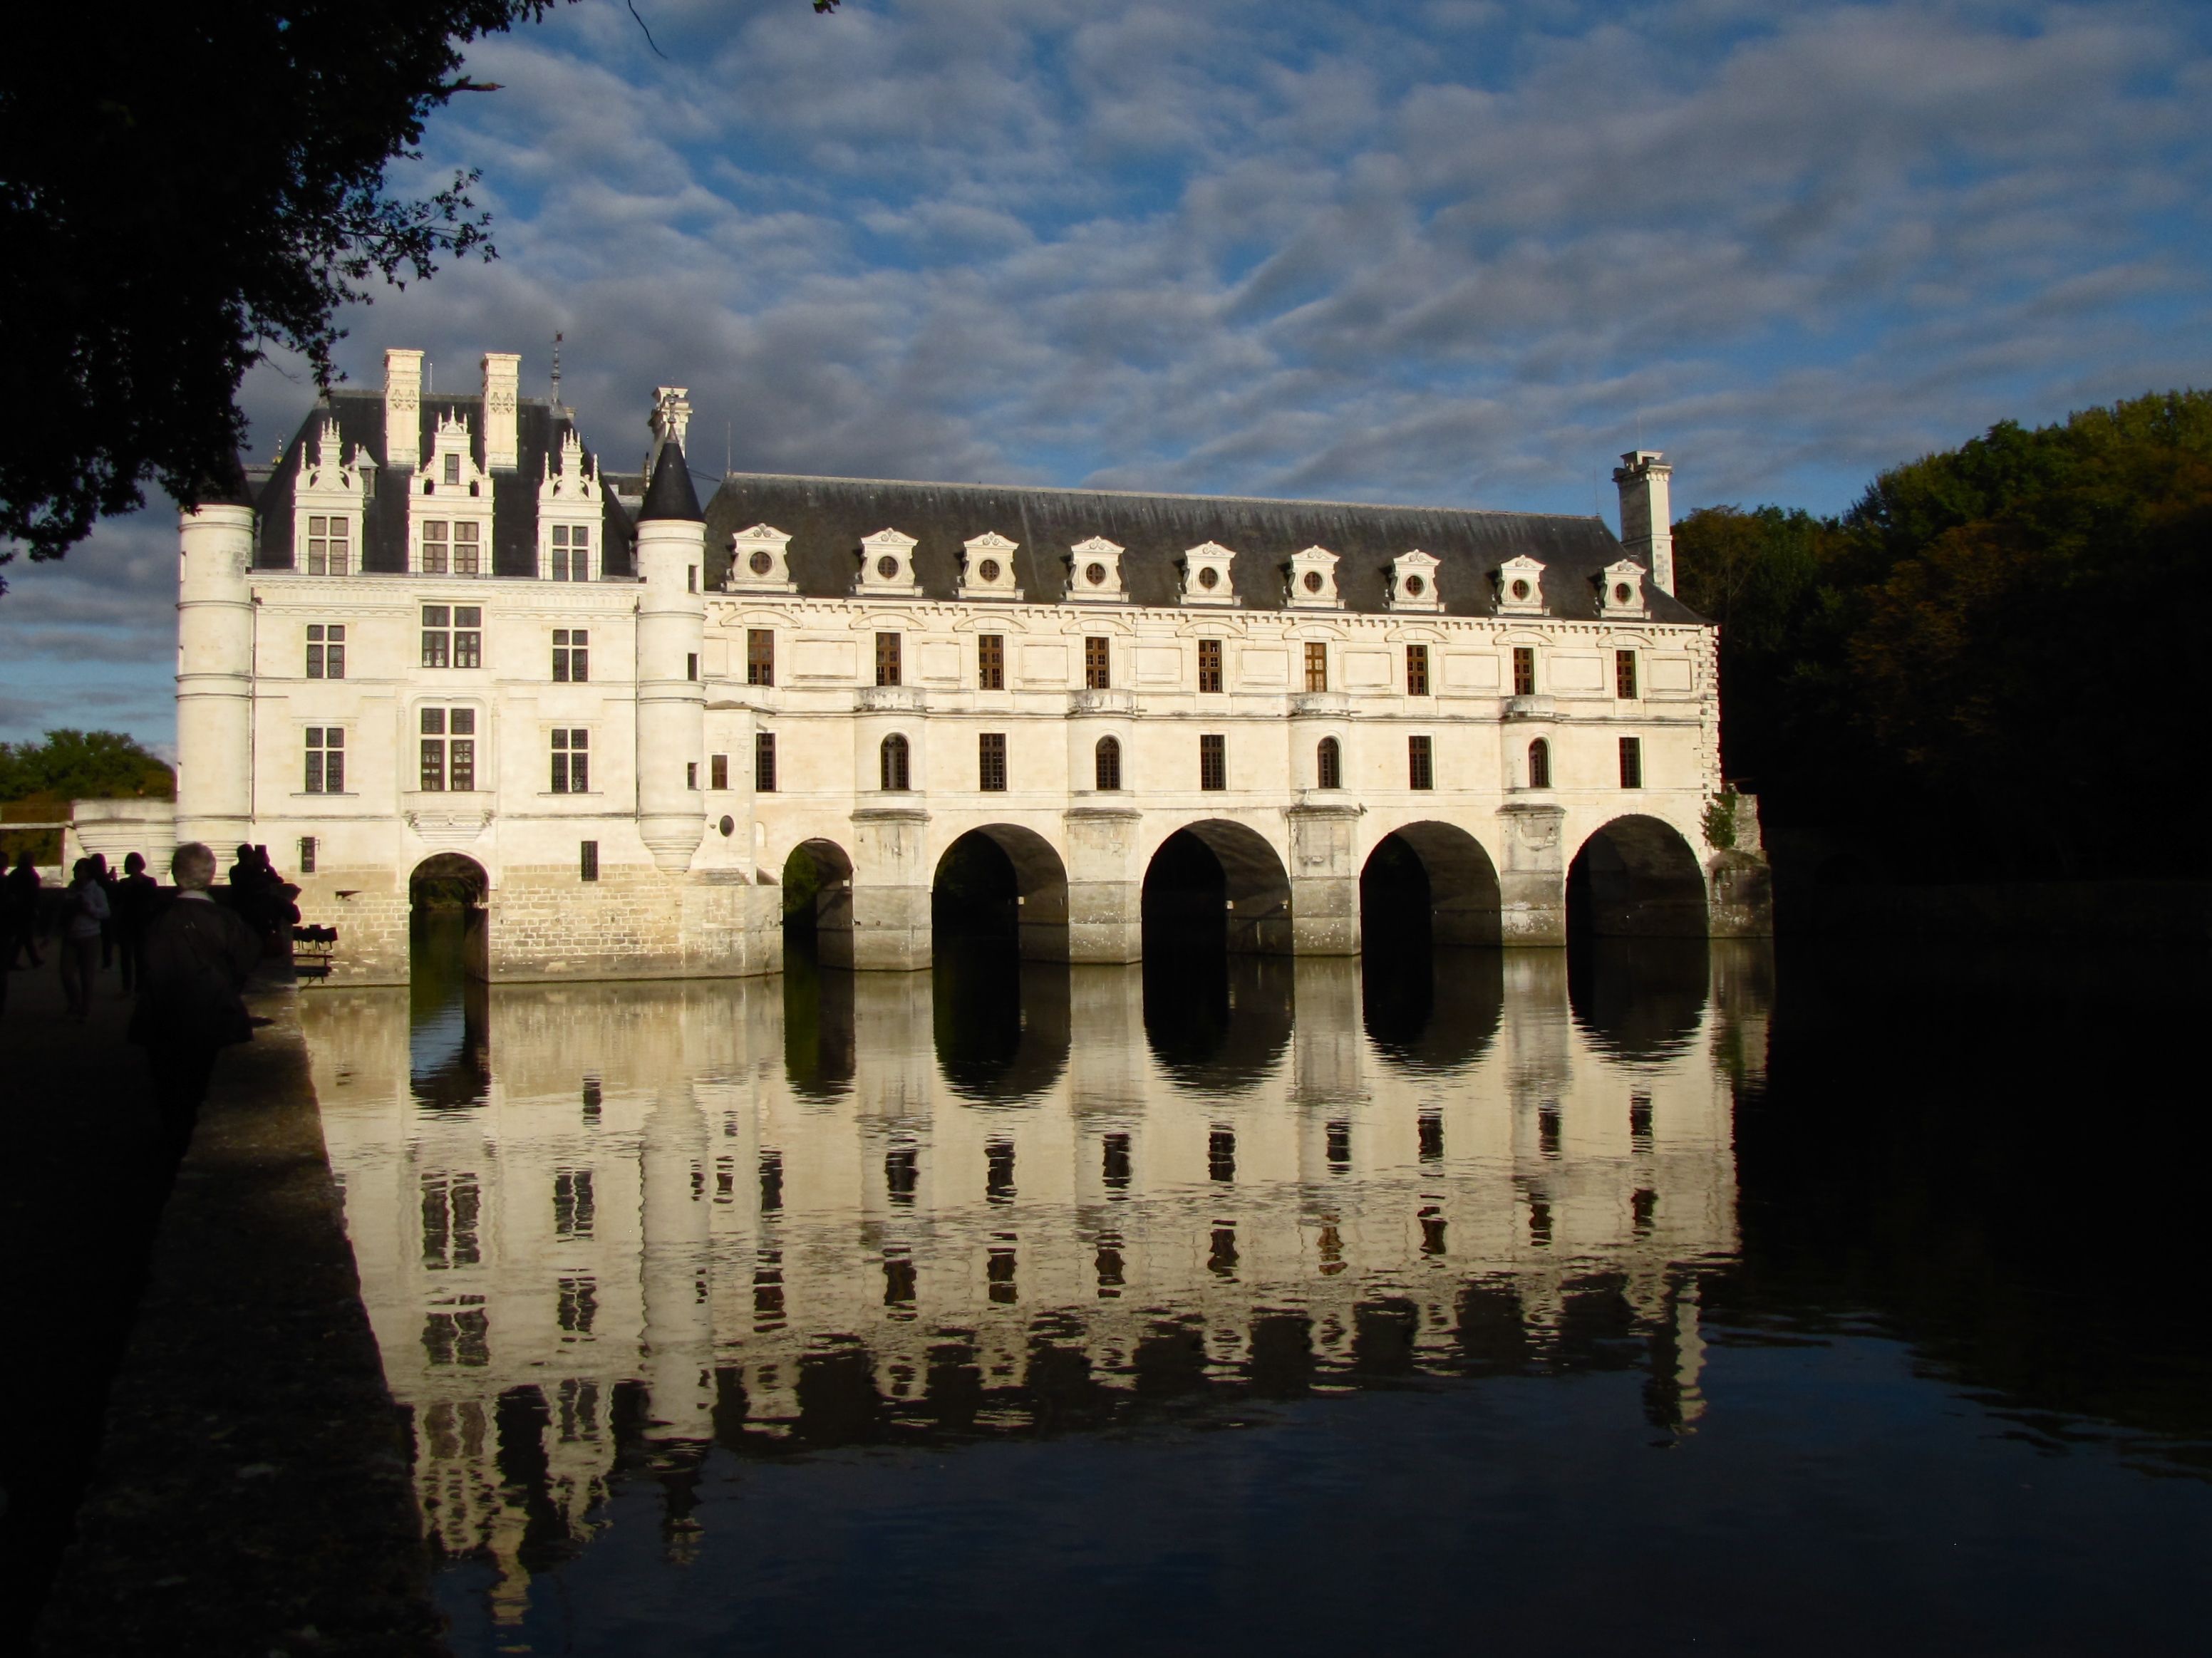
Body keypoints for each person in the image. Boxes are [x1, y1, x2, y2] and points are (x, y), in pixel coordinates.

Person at [130, 842, 261, 1161]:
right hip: (210, 1016)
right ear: (211, 876)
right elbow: (247, 961)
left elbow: (145, 969)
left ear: (176, 876)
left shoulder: (158, 921)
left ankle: (172, 1152)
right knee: (203, 1091)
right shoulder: (225, 921)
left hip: (163, 1018)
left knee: (170, 1094)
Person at [58, 858, 111, 1020]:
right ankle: (75, 1001)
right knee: (66, 973)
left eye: (79, 870)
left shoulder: (96, 891)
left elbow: (105, 913)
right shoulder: (72, 889)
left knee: (86, 976)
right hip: (71, 935)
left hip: (90, 936)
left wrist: (90, 909)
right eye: (75, 870)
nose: (76, 873)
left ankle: (84, 1008)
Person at [113, 851, 161, 993]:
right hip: (129, 922)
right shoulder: (126, 883)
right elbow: (118, 901)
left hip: (141, 922)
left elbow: (152, 900)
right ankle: (128, 987)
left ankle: (139, 987)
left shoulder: (148, 882)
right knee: (127, 958)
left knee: (140, 958)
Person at [5, 850, 42, 968]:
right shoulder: (26, 874)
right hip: (24, 909)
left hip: (21, 908)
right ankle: (16, 961)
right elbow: (31, 893)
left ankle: (34, 959)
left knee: (25, 936)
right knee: (23, 936)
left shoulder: (17, 873)